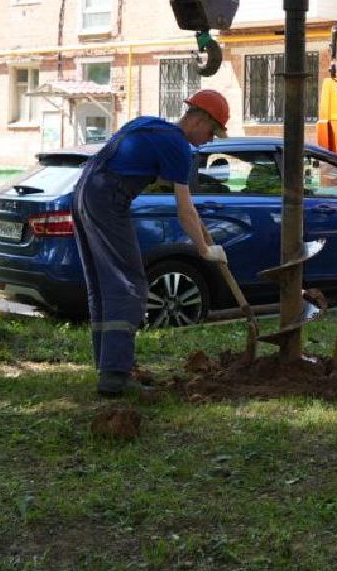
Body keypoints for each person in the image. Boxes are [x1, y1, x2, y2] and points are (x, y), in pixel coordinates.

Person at [72, 89, 230, 397]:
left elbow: (187, 206)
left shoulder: (152, 126)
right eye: (212, 131)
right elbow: (184, 209)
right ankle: (116, 375)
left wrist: (206, 240)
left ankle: (111, 365)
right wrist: (203, 250)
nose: (211, 139)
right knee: (128, 285)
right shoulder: (177, 145)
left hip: (83, 193)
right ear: (197, 120)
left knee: (105, 286)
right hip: (106, 199)